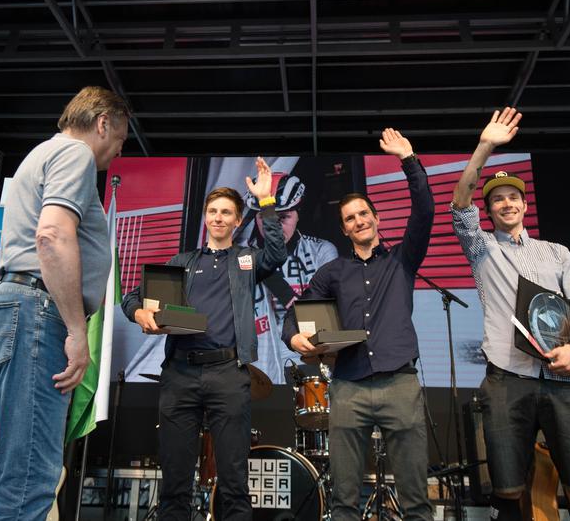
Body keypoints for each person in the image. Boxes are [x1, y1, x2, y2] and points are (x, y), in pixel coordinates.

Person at [0, 86, 129, 520]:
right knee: (31, 477)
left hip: (20, 310)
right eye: (120, 138)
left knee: (8, 472)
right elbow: (53, 235)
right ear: (103, 123)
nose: (119, 151)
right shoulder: (75, 154)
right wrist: (77, 330)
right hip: (37, 313)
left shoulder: (43, 153)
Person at [450, 107, 570, 521]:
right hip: (508, 380)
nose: (506, 203)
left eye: (512, 197)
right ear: (489, 210)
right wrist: (485, 145)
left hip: (565, 380)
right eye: (497, 199)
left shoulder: (556, 252)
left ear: (524, 205)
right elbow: (460, 202)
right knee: (507, 494)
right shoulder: (483, 249)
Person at [122, 158, 286, 521]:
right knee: (175, 481)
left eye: (226, 212)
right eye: (213, 211)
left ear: (238, 221)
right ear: (205, 217)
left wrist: (266, 201)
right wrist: (140, 314)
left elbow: (277, 254)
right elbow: (132, 297)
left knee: (234, 481)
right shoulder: (182, 261)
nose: (218, 218)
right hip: (179, 375)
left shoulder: (246, 260)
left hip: (229, 374)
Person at [284, 128, 435, 521]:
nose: (358, 221)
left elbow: (424, 212)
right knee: (344, 500)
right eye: (350, 218)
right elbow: (295, 314)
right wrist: (294, 337)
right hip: (348, 387)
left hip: (399, 383)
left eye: (364, 214)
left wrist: (408, 159)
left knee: (416, 501)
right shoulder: (332, 272)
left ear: (376, 219)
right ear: (344, 229)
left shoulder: (402, 260)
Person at [243, 174, 338, 383]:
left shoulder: (321, 251)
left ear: (298, 214)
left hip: (310, 358)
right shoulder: (241, 257)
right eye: (265, 217)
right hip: (261, 366)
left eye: (284, 217)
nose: (275, 227)